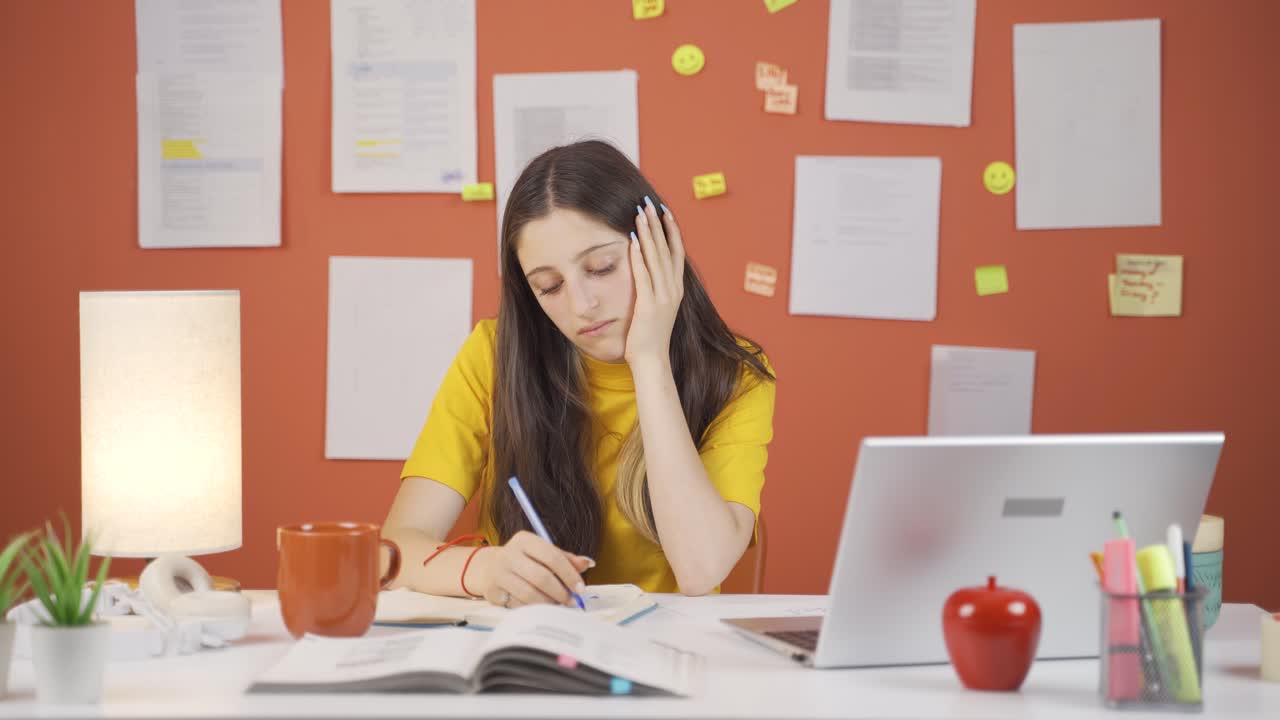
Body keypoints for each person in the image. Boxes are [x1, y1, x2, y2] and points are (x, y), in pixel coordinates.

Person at [381, 140, 775, 608]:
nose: (581, 306)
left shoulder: (735, 375)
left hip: (665, 653)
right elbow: (393, 554)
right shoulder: (493, 355)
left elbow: (700, 568)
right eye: (549, 287)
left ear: (659, 250)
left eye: (602, 267)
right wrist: (484, 569)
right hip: (530, 646)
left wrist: (648, 359)